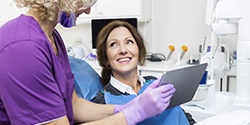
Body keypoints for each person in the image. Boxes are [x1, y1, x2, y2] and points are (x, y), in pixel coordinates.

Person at [0, 0, 176, 125]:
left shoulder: (53, 37)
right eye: (85, 2)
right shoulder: (22, 48)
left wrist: (125, 107)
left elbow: (73, 104)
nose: (88, 11)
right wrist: (133, 114)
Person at [93, 20, 196, 124]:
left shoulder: (156, 83)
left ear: (139, 50)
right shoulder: (101, 102)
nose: (123, 50)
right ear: (105, 58)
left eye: (129, 42)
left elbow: (185, 117)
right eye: (113, 44)